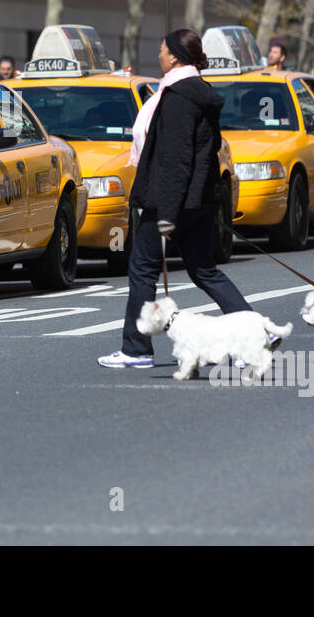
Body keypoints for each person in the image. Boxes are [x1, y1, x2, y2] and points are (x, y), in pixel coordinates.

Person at [99, 28, 270, 369]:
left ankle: (136, 349)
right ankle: (257, 331)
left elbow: (176, 159)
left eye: (162, 50)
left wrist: (167, 213)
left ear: (175, 56)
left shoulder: (177, 97)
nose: (159, 55)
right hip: (198, 199)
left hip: (169, 200)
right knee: (203, 269)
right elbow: (204, 153)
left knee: (143, 270)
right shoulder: (200, 92)